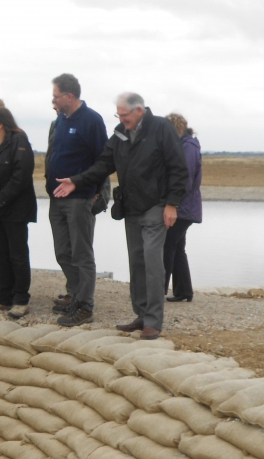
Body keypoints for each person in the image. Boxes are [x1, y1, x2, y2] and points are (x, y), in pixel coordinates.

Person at [54, 92, 188, 340]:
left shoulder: (161, 128)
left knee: (152, 263)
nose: (121, 119)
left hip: (157, 206)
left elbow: (179, 168)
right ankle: (141, 315)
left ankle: (154, 322)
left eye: (124, 115)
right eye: (119, 115)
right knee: (136, 263)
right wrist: (76, 180)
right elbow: (104, 164)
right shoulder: (120, 132)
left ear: (139, 110)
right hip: (131, 208)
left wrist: (172, 204)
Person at [46, 74, 109, 326]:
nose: (53, 100)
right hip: (56, 197)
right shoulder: (61, 120)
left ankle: (85, 306)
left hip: (79, 198)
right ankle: (75, 294)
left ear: (69, 96)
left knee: (82, 254)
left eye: (55, 95)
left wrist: (93, 188)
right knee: (63, 252)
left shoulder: (92, 120)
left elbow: (103, 161)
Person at [0, 108, 36, 318]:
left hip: (15, 210)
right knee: (0, 252)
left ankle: (20, 298)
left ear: (0, 123)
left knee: (17, 254)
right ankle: (4, 295)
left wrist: (1, 198)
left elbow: (21, 175)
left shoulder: (19, 141)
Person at [164, 113, 202, 302]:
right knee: (177, 247)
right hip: (185, 206)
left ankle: (158, 290)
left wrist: (172, 203)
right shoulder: (187, 144)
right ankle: (183, 291)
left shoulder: (187, 147)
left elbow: (184, 179)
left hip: (182, 207)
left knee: (167, 245)